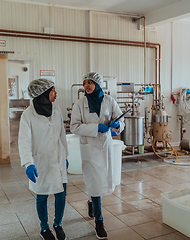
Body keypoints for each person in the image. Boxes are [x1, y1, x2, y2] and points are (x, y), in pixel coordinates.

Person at [70, 72, 125, 239]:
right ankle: (99, 221)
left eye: (90, 82)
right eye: (85, 83)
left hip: (104, 146)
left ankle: (90, 202)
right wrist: (96, 128)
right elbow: (74, 127)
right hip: (89, 148)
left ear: (98, 84)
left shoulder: (109, 100)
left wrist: (117, 125)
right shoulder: (80, 103)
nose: (86, 85)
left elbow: (120, 120)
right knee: (94, 181)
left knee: (100, 180)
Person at [18, 79, 68, 240]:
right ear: (43, 93)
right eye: (53, 90)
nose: (56, 93)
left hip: (58, 159)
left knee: (61, 194)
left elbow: (62, 135)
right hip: (40, 161)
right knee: (42, 195)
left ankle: (58, 224)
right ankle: (44, 228)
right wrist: (28, 163)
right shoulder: (28, 115)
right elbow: (23, 141)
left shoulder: (57, 109)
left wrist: (65, 155)